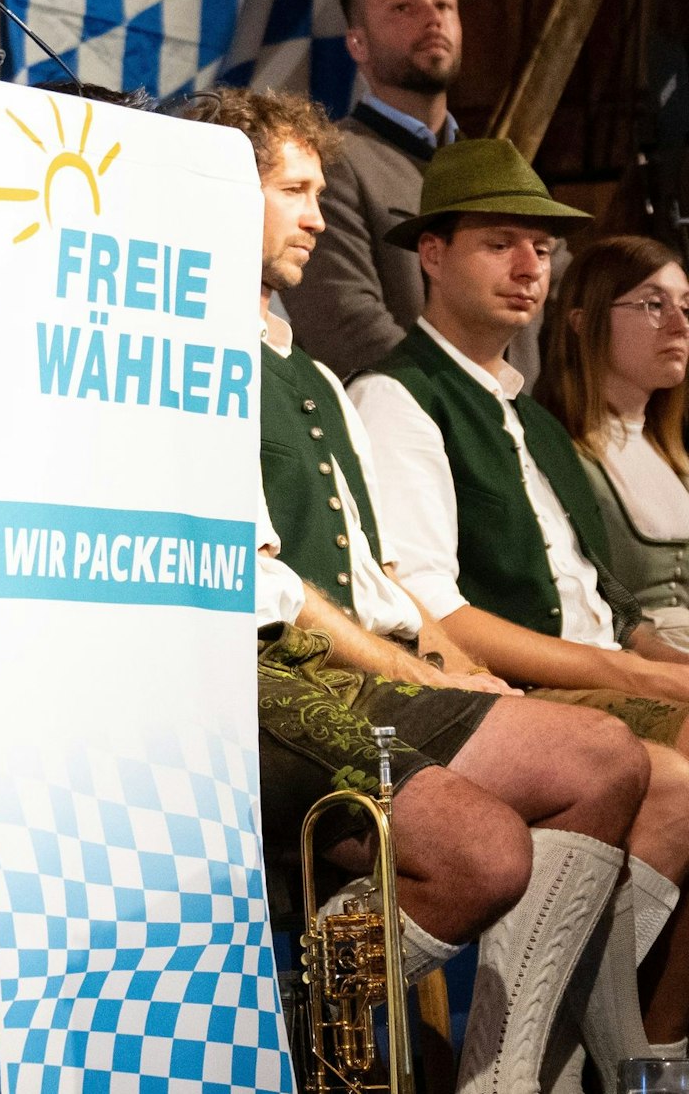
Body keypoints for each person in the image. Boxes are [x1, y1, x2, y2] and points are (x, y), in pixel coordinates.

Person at [193, 87, 689, 1087]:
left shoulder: (317, 379)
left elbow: (381, 579)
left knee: (609, 765)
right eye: (292, 190)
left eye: (318, 192)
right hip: (263, 675)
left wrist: (454, 669)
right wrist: (434, 669)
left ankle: (538, 1070)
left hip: (372, 666)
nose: (317, 216)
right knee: (495, 843)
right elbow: (268, 585)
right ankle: (304, 1014)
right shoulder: (207, 358)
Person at [349, 138, 689, 1055]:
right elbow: (435, 610)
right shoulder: (399, 396)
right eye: (500, 243)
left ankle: (645, 1053)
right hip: (514, 698)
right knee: (673, 767)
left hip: (597, 678)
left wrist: (658, 662)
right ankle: (547, 1058)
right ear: (432, 255)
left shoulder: (529, 413)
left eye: (541, 248)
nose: (530, 266)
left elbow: (614, 604)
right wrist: (642, 678)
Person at [282, 0, 548, 385]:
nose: (433, 18)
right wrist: (463, 407)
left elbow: (568, 311)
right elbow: (345, 322)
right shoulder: (332, 161)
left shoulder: (501, 172)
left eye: (444, 4)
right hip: (404, 427)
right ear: (358, 44)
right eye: (403, 8)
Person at [539, 235, 689, 650]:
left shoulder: (675, 457)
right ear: (583, 322)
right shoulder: (555, 451)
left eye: (686, 306)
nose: (680, 324)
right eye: (654, 305)